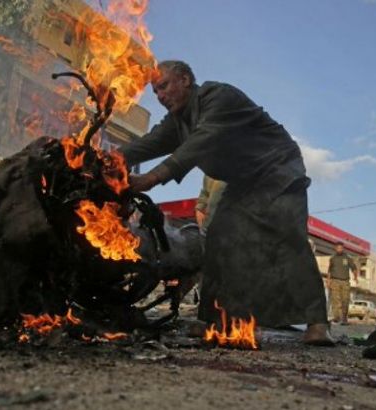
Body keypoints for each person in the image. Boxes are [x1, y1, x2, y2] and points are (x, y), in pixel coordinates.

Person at [120, 60, 333, 345]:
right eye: (155, 91)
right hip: (243, 181)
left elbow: (202, 141)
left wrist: (152, 178)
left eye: (163, 86)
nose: (159, 96)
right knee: (219, 236)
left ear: (185, 80)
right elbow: (146, 144)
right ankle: (212, 319)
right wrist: (102, 159)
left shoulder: (218, 97)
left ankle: (318, 323)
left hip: (277, 168)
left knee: (287, 237)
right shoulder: (177, 121)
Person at [327, 241, 358, 324]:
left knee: (345, 300)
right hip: (335, 281)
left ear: (343, 248)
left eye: (341, 248)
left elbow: (354, 268)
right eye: (338, 248)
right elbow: (329, 270)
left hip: (345, 282)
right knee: (335, 300)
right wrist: (328, 281)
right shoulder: (332, 258)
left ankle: (344, 318)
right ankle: (336, 317)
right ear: (335, 248)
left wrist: (355, 277)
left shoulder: (348, 258)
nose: (339, 249)